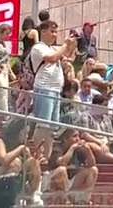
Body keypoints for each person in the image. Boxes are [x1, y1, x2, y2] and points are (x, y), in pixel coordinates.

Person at [28, 20, 77, 157]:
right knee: (43, 124)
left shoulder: (54, 48)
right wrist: (65, 45)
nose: (54, 34)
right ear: (43, 31)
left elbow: (65, 55)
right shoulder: (38, 47)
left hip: (56, 90)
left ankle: (47, 156)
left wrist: (71, 44)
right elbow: (52, 58)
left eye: (56, 32)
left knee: (52, 127)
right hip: (44, 88)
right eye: (52, 31)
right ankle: (37, 154)